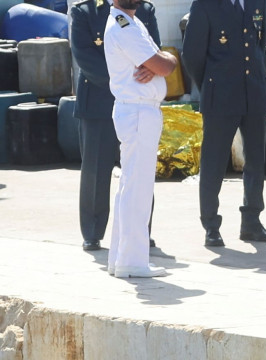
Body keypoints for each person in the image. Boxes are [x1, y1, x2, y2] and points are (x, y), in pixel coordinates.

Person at [68, 0, 159, 253]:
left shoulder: (145, 10)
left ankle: (141, 229)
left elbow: (154, 51)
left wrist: (148, 71)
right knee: (96, 170)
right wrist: (123, 80)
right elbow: (84, 56)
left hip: (135, 102)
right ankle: (93, 232)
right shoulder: (84, 11)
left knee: (139, 168)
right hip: (98, 102)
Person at [183, 0, 266, 247]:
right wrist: (211, 84)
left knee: (256, 158)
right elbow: (192, 55)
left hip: (253, 89)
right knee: (214, 161)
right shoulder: (205, 4)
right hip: (221, 93)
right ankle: (211, 225)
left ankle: (252, 221)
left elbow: (259, 43)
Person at [102, 0, 174, 278]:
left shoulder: (134, 22)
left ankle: (121, 258)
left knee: (131, 186)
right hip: (138, 112)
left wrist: (163, 61)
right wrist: (162, 63)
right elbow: (164, 65)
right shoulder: (124, 26)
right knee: (137, 189)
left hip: (138, 111)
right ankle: (132, 262)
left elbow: (166, 60)